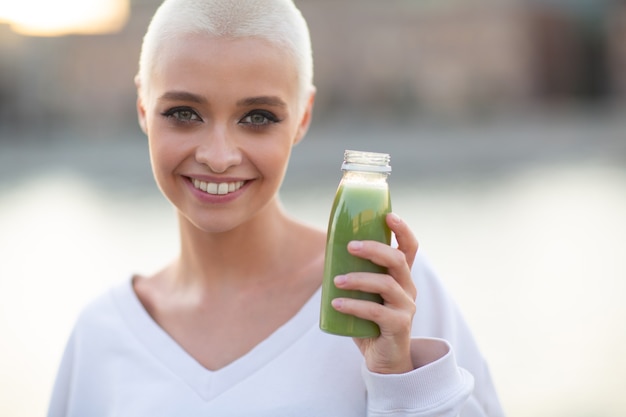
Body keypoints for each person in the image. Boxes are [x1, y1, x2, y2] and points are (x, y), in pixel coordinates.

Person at [47, 0, 505, 416]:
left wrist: (400, 378)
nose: (219, 155)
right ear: (144, 106)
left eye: (258, 118)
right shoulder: (99, 334)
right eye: (184, 112)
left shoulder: (388, 295)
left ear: (302, 117)